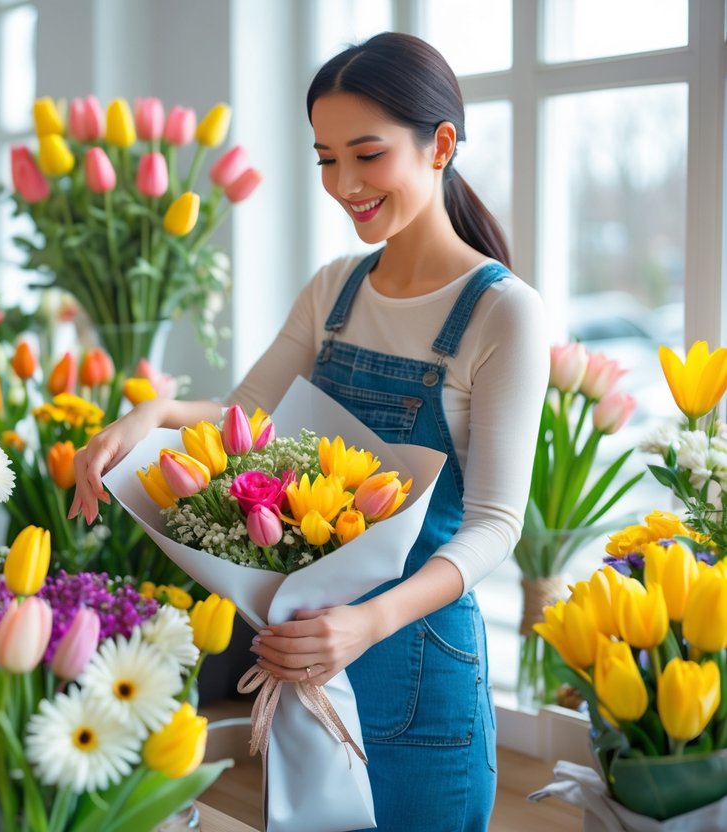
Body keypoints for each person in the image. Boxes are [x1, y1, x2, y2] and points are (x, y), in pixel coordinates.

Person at [70, 31, 549, 831]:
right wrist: (152, 413)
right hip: (305, 655)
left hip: (417, 655)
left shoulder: (502, 311)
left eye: (366, 155)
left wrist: (364, 623)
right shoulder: (335, 289)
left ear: (438, 146)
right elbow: (250, 422)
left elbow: (494, 526)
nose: (344, 184)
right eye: (326, 158)